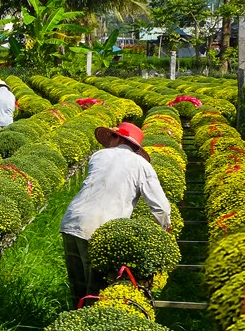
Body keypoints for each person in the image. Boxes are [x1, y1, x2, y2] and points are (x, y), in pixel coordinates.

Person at [60, 122, 171, 307]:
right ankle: (89, 329)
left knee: (78, 288)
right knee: (96, 293)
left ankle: (74, 318)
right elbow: (161, 208)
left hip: (72, 221)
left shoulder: (98, 156)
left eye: (111, 136)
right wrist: (159, 234)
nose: (108, 141)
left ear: (118, 138)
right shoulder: (141, 165)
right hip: (102, 230)